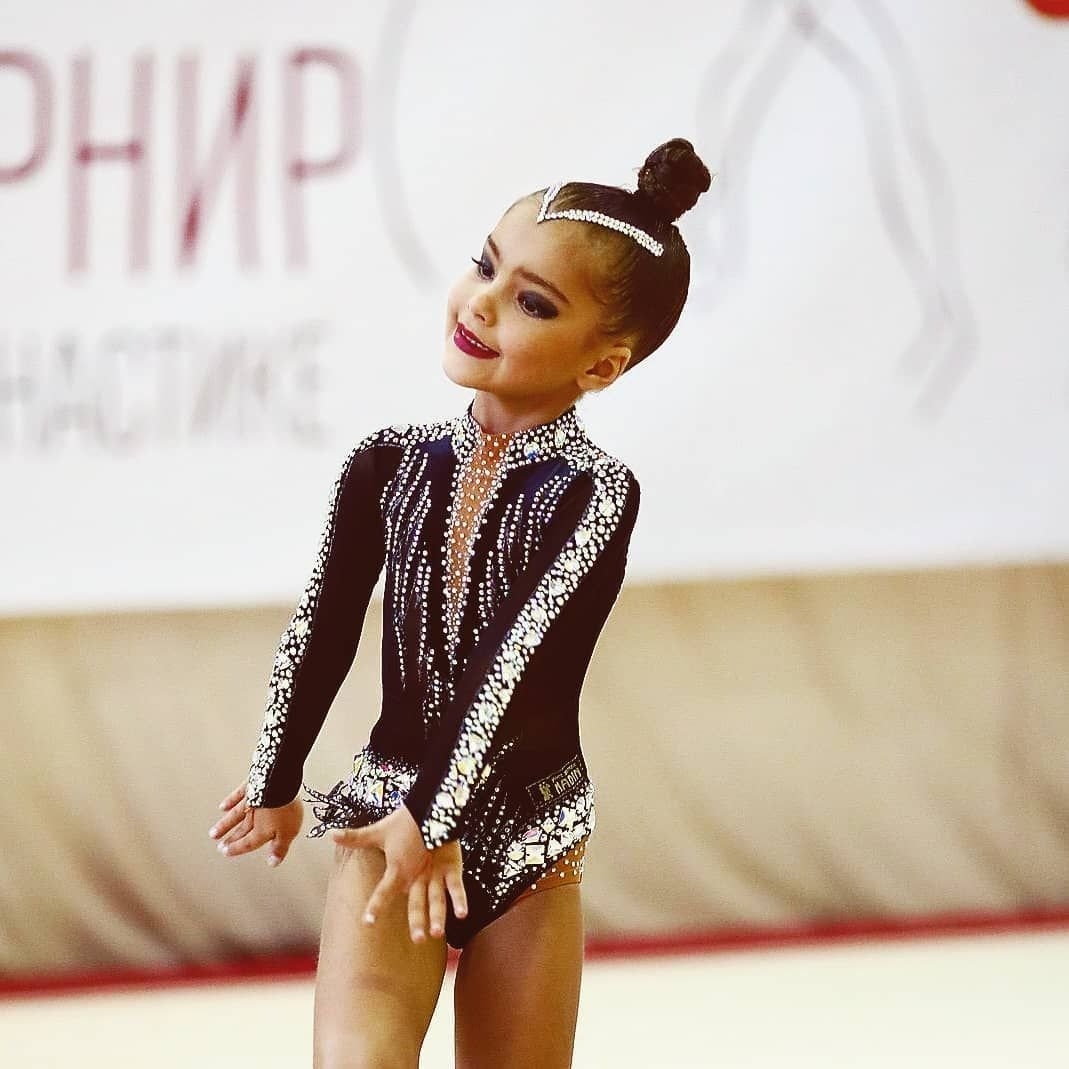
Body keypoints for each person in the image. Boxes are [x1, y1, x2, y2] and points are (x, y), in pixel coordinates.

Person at [209, 137, 713, 1068]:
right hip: (387, 813)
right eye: (485, 264)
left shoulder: (592, 492)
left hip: (528, 835)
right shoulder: (385, 463)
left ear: (601, 365)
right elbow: (323, 623)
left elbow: (513, 661)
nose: (481, 302)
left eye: (532, 302)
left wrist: (436, 816)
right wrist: (276, 779)